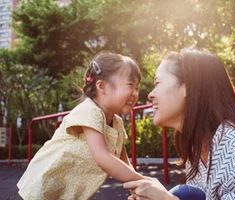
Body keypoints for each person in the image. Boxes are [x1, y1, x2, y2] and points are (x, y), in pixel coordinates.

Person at [123, 49, 235, 200]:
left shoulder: (233, 145)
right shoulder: (198, 144)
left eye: (157, 83)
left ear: (187, 87)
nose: (150, 94)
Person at [17, 51, 145, 200]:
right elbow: (103, 158)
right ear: (101, 86)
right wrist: (144, 182)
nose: (135, 93)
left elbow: (123, 162)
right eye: (130, 85)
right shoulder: (89, 111)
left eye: (137, 87)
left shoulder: (117, 123)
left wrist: (140, 190)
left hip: (69, 192)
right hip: (46, 185)